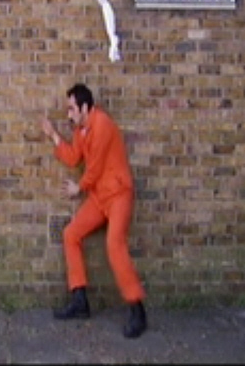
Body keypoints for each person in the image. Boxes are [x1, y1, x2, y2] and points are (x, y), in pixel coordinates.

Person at [41, 83, 147, 339]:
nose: (68, 114)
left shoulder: (102, 124)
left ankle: (138, 311)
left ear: (85, 107)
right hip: (100, 197)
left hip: (119, 194)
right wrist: (54, 136)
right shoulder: (81, 130)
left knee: (114, 245)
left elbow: (95, 167)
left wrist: (79, 188)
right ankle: (80, 300)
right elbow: (73, 157)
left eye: (71, 109)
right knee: (71, 235)